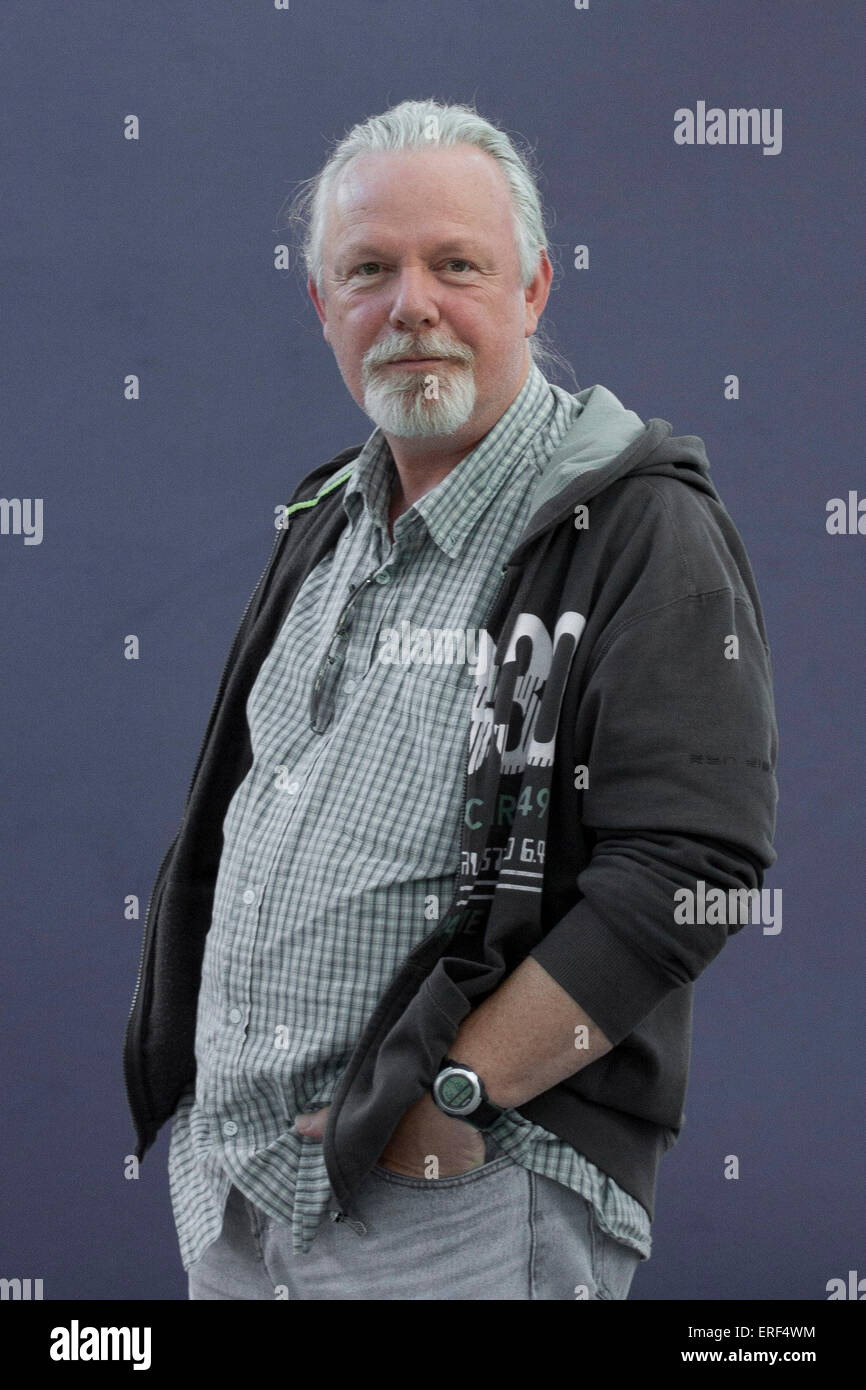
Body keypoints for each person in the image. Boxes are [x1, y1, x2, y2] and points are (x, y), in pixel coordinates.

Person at [123, 98, 779, 1300]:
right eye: (367, 269)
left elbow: (692, 864)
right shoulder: (324, 521)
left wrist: (454, 1092)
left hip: (454, 1202)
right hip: (243, 1198)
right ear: (323, 307)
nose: (409, 304)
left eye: (454, 264)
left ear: (531, 290)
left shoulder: (635, 524)